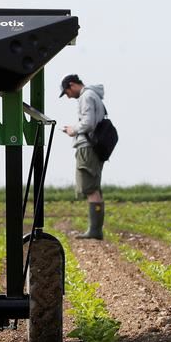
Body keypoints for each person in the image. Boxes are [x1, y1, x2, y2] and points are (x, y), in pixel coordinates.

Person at [59, 73, 107, 240]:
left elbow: (88, 123)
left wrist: (73, 129)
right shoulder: (93, 95)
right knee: (93, 186)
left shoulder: (86, 96)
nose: (68, 96)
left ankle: (95, 230)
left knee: (90, 188)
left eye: (66, 92)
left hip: (87, 147)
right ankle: (95, 229)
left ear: (72, 85)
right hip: (93, 147)